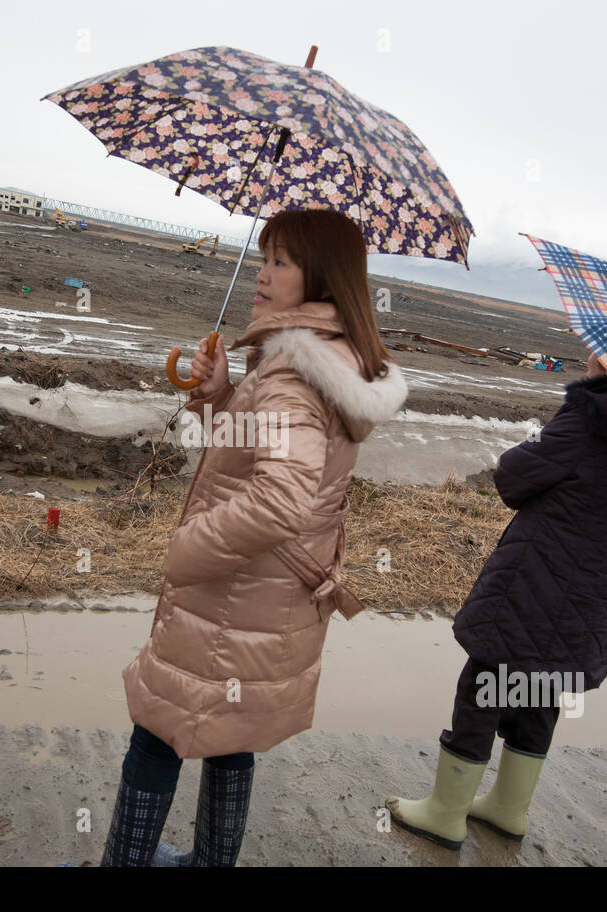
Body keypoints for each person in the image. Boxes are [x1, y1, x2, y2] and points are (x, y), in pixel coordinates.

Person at [99, 209, 410, 866]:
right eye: (264, 258)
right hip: (269, 602)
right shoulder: (325, 364)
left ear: (320, 280)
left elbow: (280, 498)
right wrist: (220, 397)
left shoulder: (294, 375)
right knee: (230, 729)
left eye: (281, 263)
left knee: (159, 729)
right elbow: (269, 460)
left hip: (235, 595)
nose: (263, 275)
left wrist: (186, 548)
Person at [385, 350, 607, 850]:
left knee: (484, 685)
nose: (588, 352)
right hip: (596, 596)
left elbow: (512, 479)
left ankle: (445, 812)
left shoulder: (590, 417)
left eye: (599, 349)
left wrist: (539, 443)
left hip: (539, 581)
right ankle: (508, 808)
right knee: (541, 692)